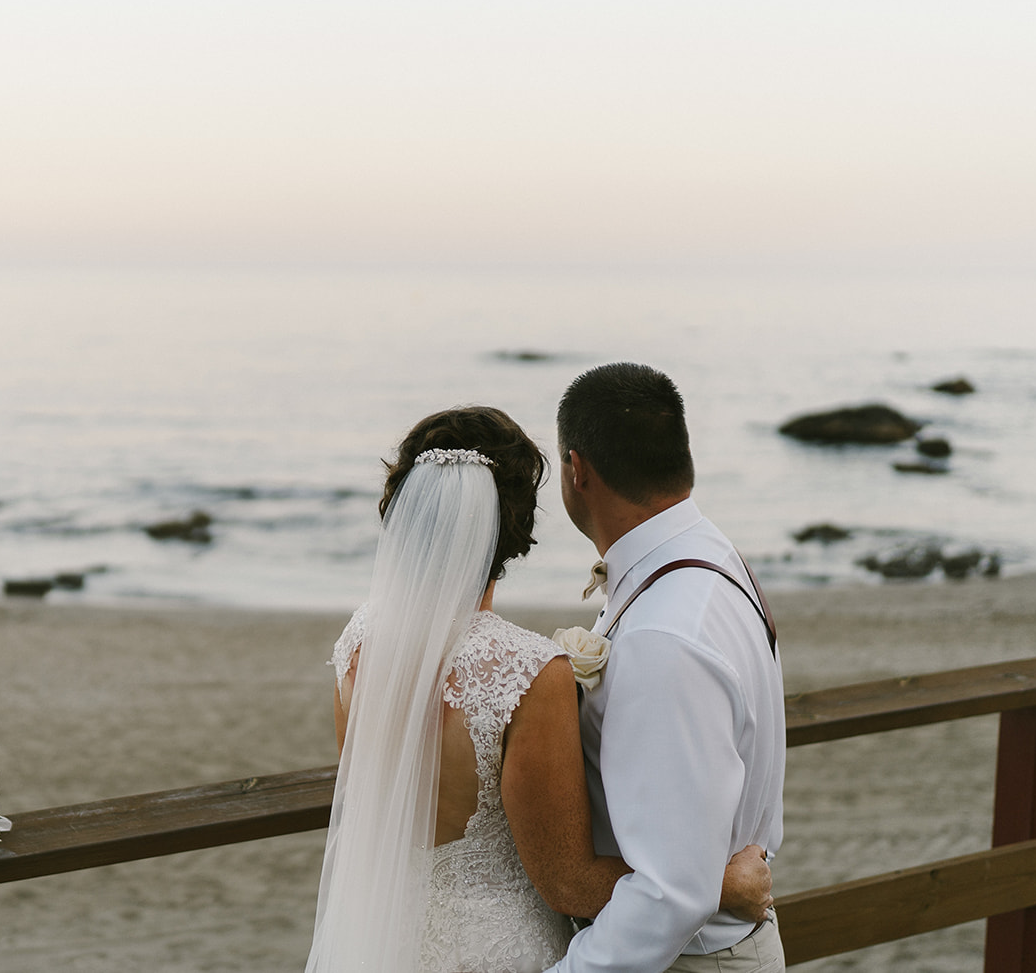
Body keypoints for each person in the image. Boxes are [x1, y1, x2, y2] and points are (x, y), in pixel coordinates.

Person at [305, 406, 772, 973]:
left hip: (388, 941)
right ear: (514, 528)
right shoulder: (527, 671)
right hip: (498, 948)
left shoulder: (357, 644)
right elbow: (569, 886)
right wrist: (718, 884)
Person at [547, 364, 786, 973]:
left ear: (578, 470)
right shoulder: (712, 557)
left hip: (690, 959)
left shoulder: (663, 632)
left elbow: (670, 891)